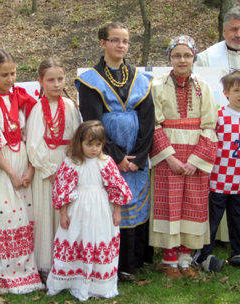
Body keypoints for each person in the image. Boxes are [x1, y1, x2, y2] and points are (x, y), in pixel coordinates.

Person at [75, 22, 154, 282]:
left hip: (136, 156)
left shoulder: (139, 79)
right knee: (111, 205)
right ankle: (112, 264)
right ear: (102, 43)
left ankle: (134, 262)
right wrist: (117, 157)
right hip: (107, 154)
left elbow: (148, 120)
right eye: (115, 40)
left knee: (134, 203)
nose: (121, 45)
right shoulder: (91, 80)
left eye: (125, 41)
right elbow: (93, 123)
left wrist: (139, 158)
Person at [0, 49, 44, 294]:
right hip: (0, 164)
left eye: (13, 73)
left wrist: (30, 168)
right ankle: (3, 271)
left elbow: (31, 134)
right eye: (4, 74)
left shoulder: (20, 98)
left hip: (22, 159)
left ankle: (26, 269)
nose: (11, 79)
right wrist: (12, 173)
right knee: (5, 215)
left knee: (25, 215)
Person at [149, 35, 218, 278]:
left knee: (192, 204)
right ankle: (169, 261)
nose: (182, 59)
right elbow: (154, 125)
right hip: (169, 156)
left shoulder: (203, 86)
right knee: (170, 204)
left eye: (187, 55)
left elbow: (210, 125)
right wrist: (170, 157)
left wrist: (196, 161)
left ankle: (185, 259)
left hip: (194, 157)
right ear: (169, 57)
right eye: (177, 55)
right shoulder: (158, 85)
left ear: (194, 58)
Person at [46, 120, 132, 302]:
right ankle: (74, 280)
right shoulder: (71, 163)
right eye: (89, 144)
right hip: (78, 209)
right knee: (77, 238)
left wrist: (117, 212)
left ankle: (98, 283)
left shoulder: (106, 162)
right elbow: (63, 189)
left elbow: (116, 188)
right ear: (80, 143)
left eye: (98, 145)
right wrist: (63, 214)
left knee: (99, 239)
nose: (94, 149)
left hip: (101, 208)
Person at [195, 71, 240, 272]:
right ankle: (204, 255)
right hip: (217, 179)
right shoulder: (218, 116)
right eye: (236, 90)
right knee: (212, 220)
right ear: (225, 93)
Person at [26, 58, 81, 282]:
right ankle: (45, 263)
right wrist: (49, 170)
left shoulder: (70, 106)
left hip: (67, 162)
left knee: (66, 213)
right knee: (46, 212)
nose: (56, 84)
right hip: (46, 166)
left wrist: (73, 165)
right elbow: (33, 143)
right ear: (40, 82)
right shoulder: (38, 108)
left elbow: (77, 136)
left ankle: (67, 261)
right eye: (51, 80)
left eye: (60, 79)